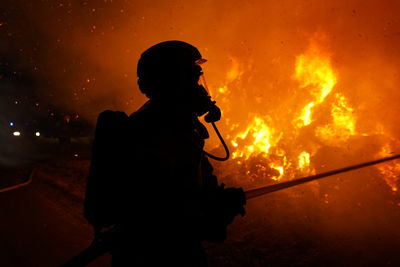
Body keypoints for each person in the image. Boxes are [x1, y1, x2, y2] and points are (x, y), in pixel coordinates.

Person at [85, 40, 246, 267]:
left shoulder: (177, 127)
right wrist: (219, 210)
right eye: (192, 78)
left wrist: (217, 200)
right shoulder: (156, 130)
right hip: (156, 257)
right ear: (171, 82)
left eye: (198, 78)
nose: (200, 87)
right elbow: (168, 216)